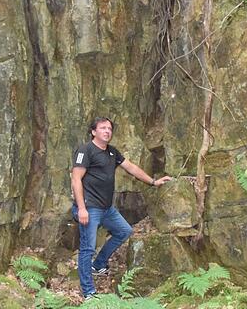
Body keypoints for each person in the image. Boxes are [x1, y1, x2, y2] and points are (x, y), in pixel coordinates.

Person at [71, 117, 172, 298]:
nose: (107, 131)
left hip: (106, 208)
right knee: (87, 248)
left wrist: (153, 182)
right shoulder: (86, 150)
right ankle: (88, 292)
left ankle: (99, 264)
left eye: (109, 128)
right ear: (94, 132)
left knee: (124, 231)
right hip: (89, 207)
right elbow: (76, 179)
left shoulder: (112, 152)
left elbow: (131, 168)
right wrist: (81, 208)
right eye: (103, 128)